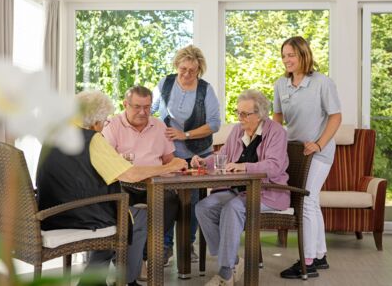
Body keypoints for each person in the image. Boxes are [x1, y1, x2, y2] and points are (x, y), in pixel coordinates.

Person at [36, 90, 187, 286]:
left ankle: (94, 281)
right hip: (80, 215)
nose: (105, 124)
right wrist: (169, 167)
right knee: (138, 217)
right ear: (95, 120)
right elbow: (130, 175)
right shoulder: (92, 139)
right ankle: (127, 280)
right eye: (104, 120)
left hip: (51, 212)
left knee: (119, 217)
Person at [192, 89, 290, 286]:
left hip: (266, 192)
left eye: (245, 114)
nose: (240, 117)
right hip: (237, 190)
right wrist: (205, 162)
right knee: (203, 207)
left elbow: (274, 166)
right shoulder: (238, 130)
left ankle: (226, 272)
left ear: (260, 114)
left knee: (233, 208)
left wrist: (244, 166)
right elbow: (224, 155)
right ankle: (234, 261)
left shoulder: (276, 132)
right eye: (238, 112)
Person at [273, 36, 342, 279]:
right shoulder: (281, 84)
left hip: (320, 152)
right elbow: (278, 116)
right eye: (283, 55)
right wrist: (276, 141)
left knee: (306, 202)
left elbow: (335, 117)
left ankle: (308, 260)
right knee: (311, 202)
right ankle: (320, 255)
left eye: (291, 54)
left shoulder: (322, 82)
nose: (286, 60)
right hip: (295, 153)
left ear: (304, 54)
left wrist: (319, 143)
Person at [102, 85, 180, 280]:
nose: (143, 112)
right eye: (137, 107)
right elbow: (110, 166)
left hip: (154, 184)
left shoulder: (159, 125)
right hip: (123, 184)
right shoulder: (112, 125)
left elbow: (170, 160)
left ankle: (144, 258)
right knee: (126, 211)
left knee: (171, 202)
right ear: (125, 104)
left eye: (147, 107)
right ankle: (122, 256)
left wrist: (179, 165)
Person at [152, 44, 221, 264]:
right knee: (169, 199)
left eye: (193, 70)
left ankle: (186, 245)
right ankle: (165, 246)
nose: (187, 74)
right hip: (169, 155)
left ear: (199, 69)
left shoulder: (205, 89)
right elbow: (150, 110)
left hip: (198, 153)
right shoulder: (165, 83)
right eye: (183, 69)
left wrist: (186, 134)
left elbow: (215, 124)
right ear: (177, 66)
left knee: (191, 201)